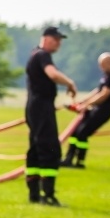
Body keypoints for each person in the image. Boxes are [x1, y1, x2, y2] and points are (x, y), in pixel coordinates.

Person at [24, 26, 77, 206]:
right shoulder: (42, 56)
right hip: (41, 106)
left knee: (36, 148)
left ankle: (34, 194)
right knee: (49, 148)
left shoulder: (34, 54)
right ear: (46, 39)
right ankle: (48, 195)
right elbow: (52, 74)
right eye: (57, 39)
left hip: (34, 106)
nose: (59, 43)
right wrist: (70, 83)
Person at [60, 52, 110, 168]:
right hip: (95, 109)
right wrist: (82, 101)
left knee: (82, 133)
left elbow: (104, 95)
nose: (101, 68)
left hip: (104, 111)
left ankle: (80, 162)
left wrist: (87, 104)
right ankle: (68, 159)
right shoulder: (106, 77)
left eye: (102, 65)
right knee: (75, 132)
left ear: (109, 63)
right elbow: (97, 91)